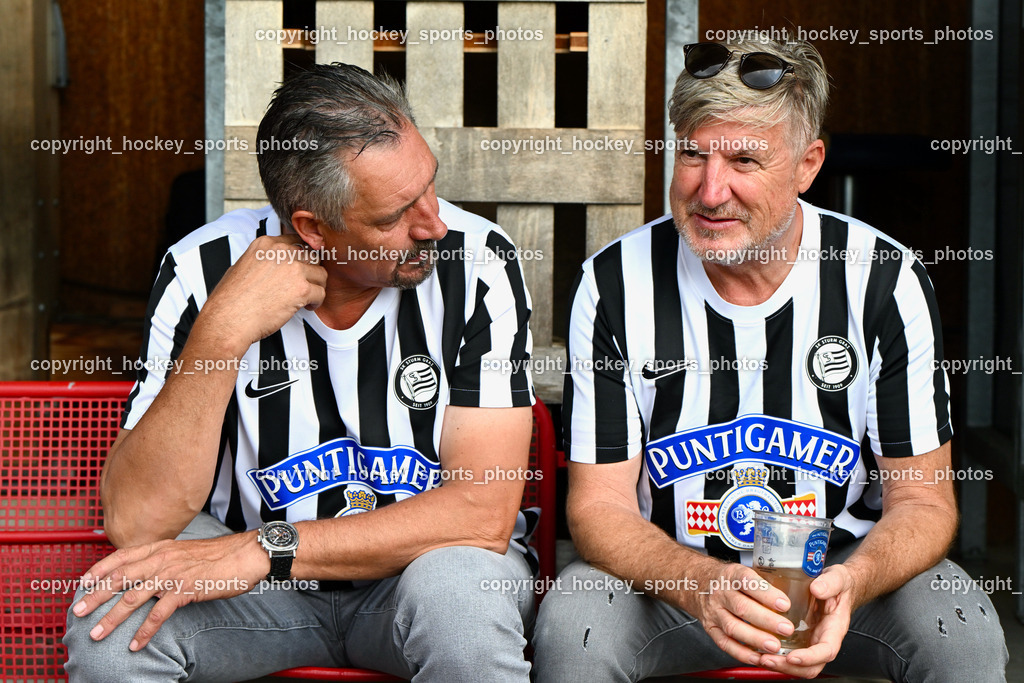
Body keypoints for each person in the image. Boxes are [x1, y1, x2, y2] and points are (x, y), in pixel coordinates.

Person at [533, 38, 1007, 681]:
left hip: (845, 580)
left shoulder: (882, 278)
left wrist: (855, 581)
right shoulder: (615, 282)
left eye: (745, 160)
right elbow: (598, 506)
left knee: (963, 630)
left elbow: (923, 500)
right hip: (673, 583)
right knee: (575, 625)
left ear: (808, 165)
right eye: (693, 154)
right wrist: (701, 584)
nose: (710, 189)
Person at [64, 63, 537, 682]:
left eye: (430, 186)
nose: (434, 224)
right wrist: (223, 330)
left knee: (462, 607)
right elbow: (138, 522)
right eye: (395, 217)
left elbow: (481, 512)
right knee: (111, 632)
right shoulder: (200, 270)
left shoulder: (477, 262)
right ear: (313, 227)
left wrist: (268, 549)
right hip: (254, 595)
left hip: (414, 574)